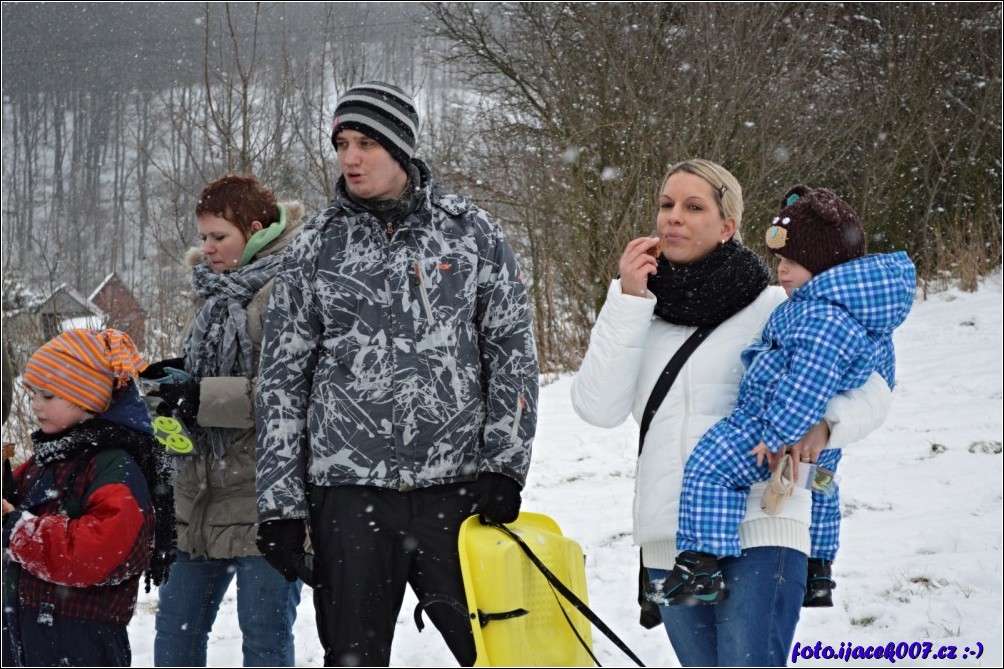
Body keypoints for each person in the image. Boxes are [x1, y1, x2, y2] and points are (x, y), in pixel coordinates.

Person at [254, 81, 539, 667]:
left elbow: (511, 353)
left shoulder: (472, 233)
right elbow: (282, 381)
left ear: (401, 148)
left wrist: (505, 466)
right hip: (349, 494)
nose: (350, 158)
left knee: (498, 654)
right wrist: (280, 507)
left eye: (366, 143)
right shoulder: (315, 246)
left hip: (457, 490)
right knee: (353, 658)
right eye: (342, 144)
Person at [570, 159, 894, 666]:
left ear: (728, 226)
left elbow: (874, 389)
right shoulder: (638, 313)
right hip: (671, 543)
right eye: (666, 204)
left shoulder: (778, 306)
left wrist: (827, 425)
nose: (674, 216)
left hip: (762, 525)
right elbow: (597, 409)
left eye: (693, 206)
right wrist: (627, 301)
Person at [651, 185, 916, 608]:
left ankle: (700, 563)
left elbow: (807, 382)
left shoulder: (822, 316)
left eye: (793, 262)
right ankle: (818, 569)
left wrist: (777, 434)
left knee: (710, 467)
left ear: (826, 266)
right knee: (820, 487)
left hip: (769, 422)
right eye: (779, 260)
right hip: (810, 438)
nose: (782, 271)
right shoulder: (851, 312)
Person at [147, 174, 305, 667]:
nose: (207, 248)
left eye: (219, 236)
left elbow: (295, 394)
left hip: (265, 497)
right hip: (198, 494)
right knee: (175, 637)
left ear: (255, 230)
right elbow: (212, 375)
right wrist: (174, 383)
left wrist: (201, 395)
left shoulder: (291, 288)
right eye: (203, 237)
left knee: (264, 641)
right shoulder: (211, 295)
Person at [2, 328, 173, 667]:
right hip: (26, 627)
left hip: (82, 638)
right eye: (34, 393)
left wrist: (17, 530)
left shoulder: (114, 465)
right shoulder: (50, 455)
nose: (35, 404)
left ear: (86, 399)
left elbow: (98, 553)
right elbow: (16, 503)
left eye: (48, 396)